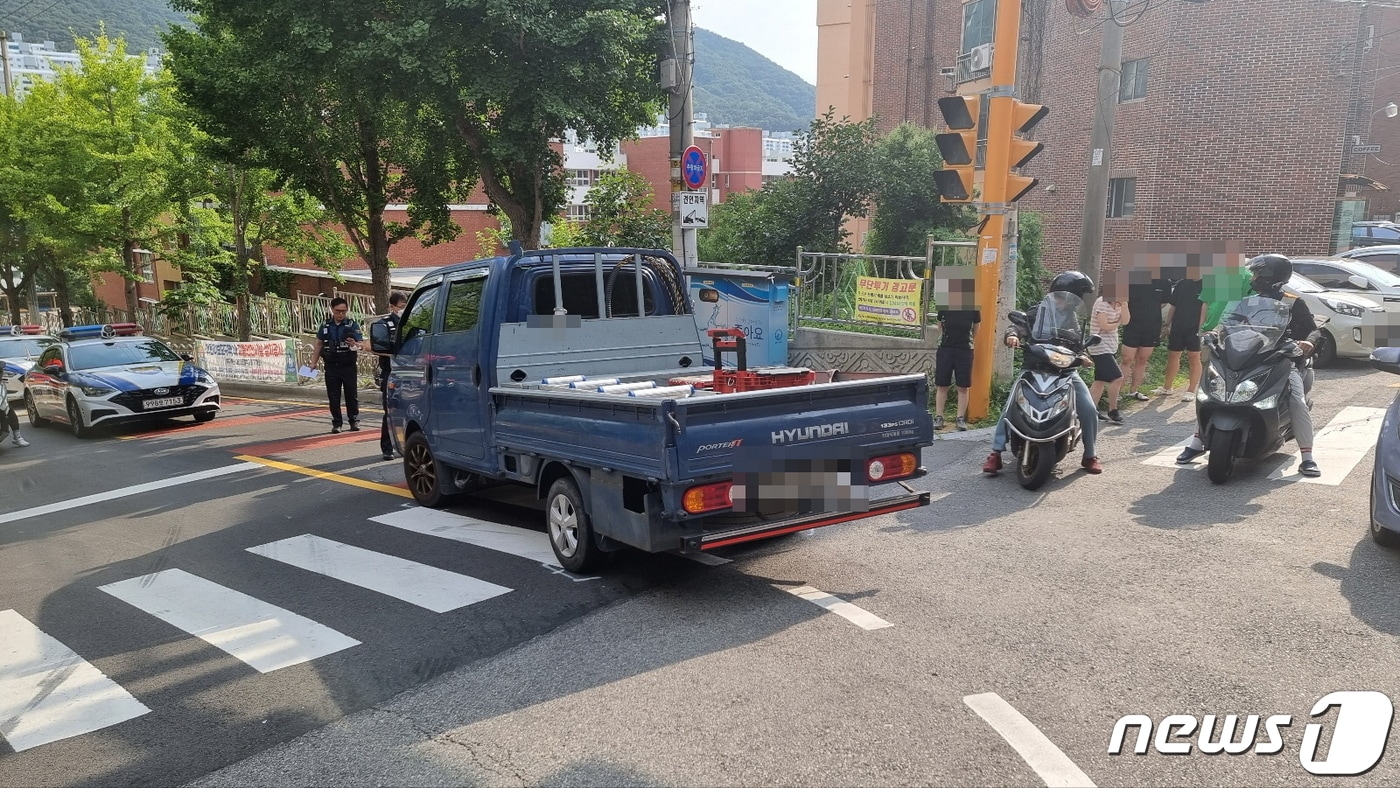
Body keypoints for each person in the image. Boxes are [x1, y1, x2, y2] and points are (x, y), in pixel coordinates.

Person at [1177, 254, 1322, 477]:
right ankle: (1197, 443)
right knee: (1212, 393)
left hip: (1280, 359)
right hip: (1245, 357)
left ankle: (1307, 457)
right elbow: (1230, 322)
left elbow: (1314, 330)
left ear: (1270, 277)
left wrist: (1307, 342)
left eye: (1257, 274)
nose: (1253, 278)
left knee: (1297, 401)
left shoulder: (1293, 302)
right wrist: (1214, 334)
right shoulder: (1248, 300)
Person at [982, 271, 1104, 476]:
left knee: (1089, 408)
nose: (1061, 301)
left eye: (1066, 298)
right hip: (1034, 368)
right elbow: (1018, 326)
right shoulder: (1038, 311)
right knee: (1010, 405)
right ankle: (995, 453)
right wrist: (1012, 336)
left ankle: (1090, 455)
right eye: (1059, 296)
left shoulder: (1072, 319)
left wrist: (1083, 355)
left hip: (1065, 372)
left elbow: (1077, 344)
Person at [312, 297, 364, 434]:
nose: (341, 314)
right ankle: (337, 423)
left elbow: (360, 344)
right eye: (338, 311)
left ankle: (354, 421)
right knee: (333, 396)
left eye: (343, 311)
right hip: (331, 365)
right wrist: (313, 362)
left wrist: (355, 344)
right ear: (332, 310)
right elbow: (319, 344)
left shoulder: (352, 325)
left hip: (348, 364)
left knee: (351, 394)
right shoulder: (325, 325)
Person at [1153, 277, 1206, 401]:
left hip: (1195, 328)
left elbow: (1209, 307)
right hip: (1178, 326)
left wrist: (1202, 328)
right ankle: (1167, 387)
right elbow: (1173, 305)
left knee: (1194, 357)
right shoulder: (1182, 283)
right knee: (1173, 356)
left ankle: (1191, 390)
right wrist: (1166, 325)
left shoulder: (1209, 284)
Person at [1120, 275, 1167, 402]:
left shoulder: (1164, 281)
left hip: (1152, 327)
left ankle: (1133, 391)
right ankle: (1117, 392)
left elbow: (1163, 302)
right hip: (1131, 325)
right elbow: (1115, 299)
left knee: (1142, 359)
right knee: (1127, 359)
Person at [372, 291, 407, 460]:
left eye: (406, 306)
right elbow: (375, 347)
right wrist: (393, 355)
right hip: (391, 372)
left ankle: (408, 445)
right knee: (390, 411)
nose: (404, 310)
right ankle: (387, 448)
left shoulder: (413, 323)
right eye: (401, 307)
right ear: (392, 307)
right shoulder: (383, 325)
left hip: (410, 372)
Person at [933, 305, 979, 431]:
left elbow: (976, 330)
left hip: (965, 350)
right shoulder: (944, 306)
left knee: (963, 386)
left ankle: (960, 418)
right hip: (945, 349)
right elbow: (939, 327)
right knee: (942, 384)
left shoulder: (973, 309)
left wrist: (965, 342)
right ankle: (939, 417)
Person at [1088, 284, 1129, 424]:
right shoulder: (1101, 302)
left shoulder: (1119, 304)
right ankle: (1113, 410)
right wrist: (1117, 323)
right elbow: (1104, 325)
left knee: (1099, 381)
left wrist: (1124, 304)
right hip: (1098, 345)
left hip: (1111, 345)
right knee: (1117, 378)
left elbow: (1126, 320)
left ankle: (1089, 409)